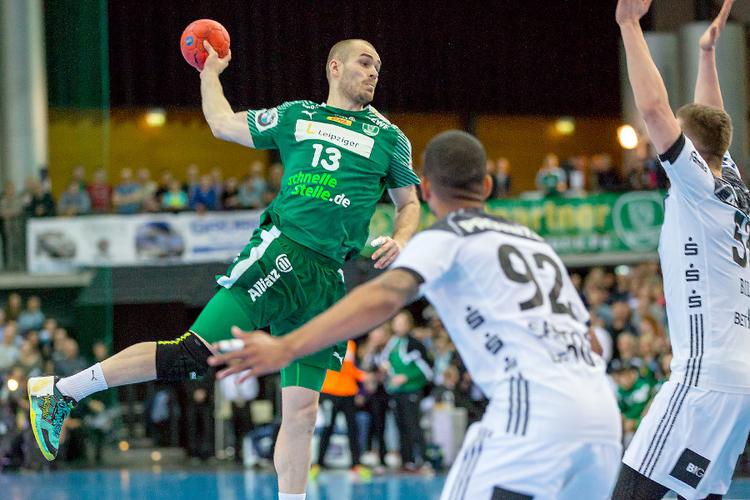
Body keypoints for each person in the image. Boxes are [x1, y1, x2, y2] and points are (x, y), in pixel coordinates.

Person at [28, 38, 420, 500]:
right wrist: (209, 73)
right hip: (282, 254)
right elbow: (222, 123)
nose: (374, 72)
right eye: (365, 62)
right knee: (191, 355)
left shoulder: (390, 138)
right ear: (334, 67)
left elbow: (409, 203)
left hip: (328, 279)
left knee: (303, 413)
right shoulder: (298, 115)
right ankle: (62, 391)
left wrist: (402, 239)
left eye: (378, 66)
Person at [210, 130, 622, 499]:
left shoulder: (446, 236)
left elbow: (384, 296)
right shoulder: (534, 242)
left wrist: (286, 347)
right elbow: (592, 342)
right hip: (602, 415)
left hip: (532, 408)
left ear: (424, 189)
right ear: (487, 185)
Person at [613, 1, 750, 498]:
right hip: (739, 381)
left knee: (631, 492)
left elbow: (653, 108)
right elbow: (712, 124)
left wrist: (629, 24)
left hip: (702, 375)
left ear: (687, 148)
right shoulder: (730, 183)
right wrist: (707, 55)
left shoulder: (695, 185)